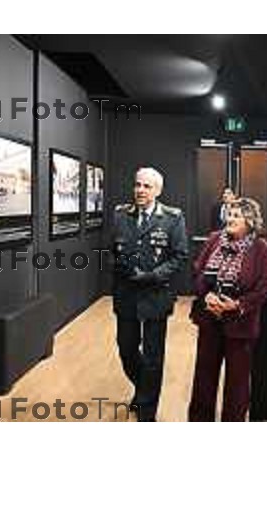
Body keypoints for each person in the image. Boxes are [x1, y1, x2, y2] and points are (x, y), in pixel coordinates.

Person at [112, 167, 188, 421]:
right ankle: (143, 388)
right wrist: (122, 266)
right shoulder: (120, 215)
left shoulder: (172, 217)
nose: (140, 190)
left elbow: (179, 256)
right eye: (137, 185)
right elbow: (112, 249)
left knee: (154, 356)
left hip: (156, 294)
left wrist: (153, 275)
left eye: (146, 186)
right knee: (126, 349)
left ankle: (147, 410)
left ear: (158, 190)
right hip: (126, 293)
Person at [189, 198, 267, 421]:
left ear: (250, 220)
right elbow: (198, 270)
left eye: (236, 215)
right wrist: (205, 295)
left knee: (237, 384)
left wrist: (236, 305)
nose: (230, 219)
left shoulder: (262, 248)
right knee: (203, 379)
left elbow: (263, 287)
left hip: (240, 325)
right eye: (229, 214)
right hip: (209, 320)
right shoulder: (214, 239)